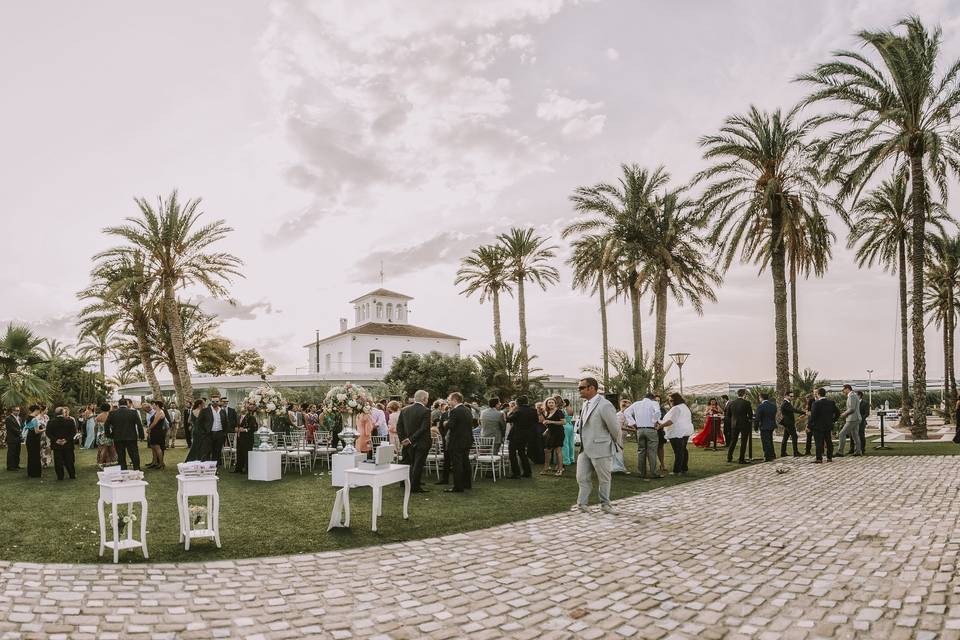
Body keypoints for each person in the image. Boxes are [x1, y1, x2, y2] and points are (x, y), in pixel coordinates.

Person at [574, 378, 621, 514]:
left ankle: (605, 504)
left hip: (601, 448)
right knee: (581, 477)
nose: (579, 390)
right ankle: (582, 504)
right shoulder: (585, 404)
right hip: (584, 449)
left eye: (582, 388)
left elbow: (615, 428)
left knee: (604, 479)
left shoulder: (605, 405)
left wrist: (616, 446)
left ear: (592, 388)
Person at [398, 390, 432, 492]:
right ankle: (415, 487)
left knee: (406, 462)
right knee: (418, 464)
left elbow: (399, 426)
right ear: (423, 399)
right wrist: (409, 440)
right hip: (421, 442)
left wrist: (403, 439)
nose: (427, 400)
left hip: (407, 442)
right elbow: (423, 428)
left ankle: (403, 482)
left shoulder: (404, 410)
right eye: (427, 398)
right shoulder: (426, 411)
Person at [624, 393, 662, 479]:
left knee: (641, 451)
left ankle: (641, 473)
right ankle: (653, 473)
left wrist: (633, 423)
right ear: (652, 398)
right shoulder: (654, 403)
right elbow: (657, 412)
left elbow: (626, 412)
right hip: (651, 429)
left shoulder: (636, 404)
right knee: (652, 451)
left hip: (639, 430)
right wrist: (654, 421)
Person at [444, 392, 474, 492]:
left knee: (457, 464)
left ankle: (458, 487)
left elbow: (451, 425)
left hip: (457, 441)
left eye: (449, 400)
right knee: (465, 462)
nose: (448, 402)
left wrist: (445, 423)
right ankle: (467, 484)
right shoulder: (468, 410)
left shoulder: (455, 411)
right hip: (467, 440)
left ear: (455, 400)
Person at [658, 392, 694, 475]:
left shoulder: (676, 408)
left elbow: (671, 421)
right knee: (683, 450)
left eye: (671, 400)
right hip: (685, 431)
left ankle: (677, 471)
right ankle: (684, 468)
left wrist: (660, 426)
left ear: (675, 400)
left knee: (678, 452)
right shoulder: (685, 407)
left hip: (677, 432)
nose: (670, 402)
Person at [105, 398, 144, 471]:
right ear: (126, 404)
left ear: (119, 405)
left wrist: (109, 434)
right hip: (131, 436)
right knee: (134, 454)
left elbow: (106, 425)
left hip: (118, 436)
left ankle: (123, 469)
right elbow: (139, 425)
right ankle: (137, 468)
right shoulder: (133, 412)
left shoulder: (112, 413)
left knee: (121, 455)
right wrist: (141, 435)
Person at [506, 396, 538, 479]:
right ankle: (527, 472)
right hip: (527, 435)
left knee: (512, 453)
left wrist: (511, 411)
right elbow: (536, 421)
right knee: (522, 453)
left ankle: (516, 473)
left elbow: (508, 419)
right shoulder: (533, 411)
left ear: (518, 403)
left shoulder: (518, 411)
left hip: (516, 435)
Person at [197, 396, 230, 465]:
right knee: (206, 452)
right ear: (211, 402)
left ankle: (215, 468)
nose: (215, 403)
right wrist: (203, 433)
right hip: (208, 434)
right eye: (213, 401)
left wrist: (224, 433)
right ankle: (205, 468)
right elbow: (199, 423)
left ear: (219, 402)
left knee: (217, 452)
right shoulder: (205, 411)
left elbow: (226, 423)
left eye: (217, 401)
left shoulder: (222, 411)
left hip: (219, 434)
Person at [810, 387, 840, 463]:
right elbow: (838, 413)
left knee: (818, 443)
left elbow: (813, 416)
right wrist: (833, 420)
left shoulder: (816, 403)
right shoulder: (831, 402)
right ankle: (829, 457)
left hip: (818, 426)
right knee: (829, 441)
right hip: (828, 425)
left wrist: (809, 426)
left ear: (819, 394)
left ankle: (819, 459)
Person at [47, 406, 77, 480]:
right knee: (69, 460)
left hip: (56, 444)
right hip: (68, 444)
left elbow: (48, 433)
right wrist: (66, 440)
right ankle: (72, 475)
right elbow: (73, 432)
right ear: (63, 413)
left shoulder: (51, 422)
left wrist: (56, 440)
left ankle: (60, 476)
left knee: (58, 461)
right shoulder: (70, 421)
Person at [725, 389, 754, 464]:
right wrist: (748, 419)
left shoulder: (731, 403)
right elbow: (750, 415)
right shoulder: (747, 403)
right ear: (744, 394)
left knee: (733, 441)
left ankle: (729, 457)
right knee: (743, 442)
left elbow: (728, 415)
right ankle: (741, 459)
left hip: (734, 424)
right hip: (744, 424)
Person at [541, 398, 566, 476]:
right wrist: (546, 428)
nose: (551, 404)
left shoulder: (559, 411)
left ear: (555, 404)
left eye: (552, 402)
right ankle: (546, 467)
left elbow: (564, 422)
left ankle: (560, 469)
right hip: (550, 433)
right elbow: (548, 424)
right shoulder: (547, 412)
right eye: (549, 403)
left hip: (558, 433)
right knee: (547, 450)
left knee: (558, 451)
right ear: (547, 404)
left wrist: (550, 421)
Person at [837, 384, 862, 457]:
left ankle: (840, 451)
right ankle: (858, 451)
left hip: (852, 419)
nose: (843, 392)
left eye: (843, 390)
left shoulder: (852, 396)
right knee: (855, 435)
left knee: (842, 434)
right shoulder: (853, 395)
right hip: (855, 418)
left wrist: (844, 414)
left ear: (847, 389)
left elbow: (852, 409)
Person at [780, 392, 806, 458]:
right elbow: (793, 410)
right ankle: (795, 452)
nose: (792, 397)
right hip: (788, 423)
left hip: (788, 423)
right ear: (786, 396)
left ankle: (783, 452)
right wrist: (804, 412)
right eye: (790, 396)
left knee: (785, 438)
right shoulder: (785, 403)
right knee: (794, 436)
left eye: (792, 396)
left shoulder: (787, 403)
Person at [755, 392, 778, 462]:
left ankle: (767, 456)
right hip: (772, 425)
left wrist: (755, 427)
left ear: (761, 398)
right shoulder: (773, 406)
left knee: (765, 442)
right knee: (770, 441)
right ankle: (772, 455)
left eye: (759, 397)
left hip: (764, 426)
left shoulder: (761, 406)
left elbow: (757, 418)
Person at [235, 402, 257, 474]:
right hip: (239, 437)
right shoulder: (238, 417)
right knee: (239, 453)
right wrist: (235, 429)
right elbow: (236, 426)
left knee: (246, 454)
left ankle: (247, 469)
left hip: (247, 439)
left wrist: (244, 430)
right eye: (241, 407)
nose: (242, 408)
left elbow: (254, 428)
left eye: (244, 407)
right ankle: (238, 468)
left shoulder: (251, 417)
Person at [146, 400, 168, 470]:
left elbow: (155, 422)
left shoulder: (160, 412)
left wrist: (149, 429)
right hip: (154, 431)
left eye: (154, 404)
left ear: (157, 405)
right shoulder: (156, 412)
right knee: (153, 447)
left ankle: (161, 464)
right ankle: (154, 462)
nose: (152, 406)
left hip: (158, 432)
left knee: (157, 447)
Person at [23, 405, 43, 478]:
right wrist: (45, 429)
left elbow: (27, 427)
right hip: (34, 438)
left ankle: (30, 472)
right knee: (36, 455)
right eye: (39, 410)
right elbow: (37, 431)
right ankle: (36, 473)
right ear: (36, 410)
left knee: (31, 455)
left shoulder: (28, 417)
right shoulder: (34, 419)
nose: (39, 412)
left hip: (29, 438)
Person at [94, 402, 115, 468]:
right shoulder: (110, 415)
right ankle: (102, 462)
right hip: (108, 433)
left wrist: (95, 434)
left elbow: (96, 427)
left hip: (100, 434)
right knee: (107, 449)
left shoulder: (98, 416)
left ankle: (104, 462)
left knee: (101, 448)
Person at [611, 399, 629, 474]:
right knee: (618, 450)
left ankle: (618, 467)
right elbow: (619, 427)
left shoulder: (625, 414)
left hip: (622, 435)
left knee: (619, 450)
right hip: (618, 435)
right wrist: (633, 430)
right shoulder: (620, 415)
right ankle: (618, 467)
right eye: (624, 403)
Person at [5, 406, 22, 471]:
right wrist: (20, 432)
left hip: (18, 438)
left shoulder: (19, 418)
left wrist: (21, 433)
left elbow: (21, 426)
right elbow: (11, 428)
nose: (18, 412)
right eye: (16, 410)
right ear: (13, 411)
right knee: (11, 453)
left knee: (17, 452)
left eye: (19, 410)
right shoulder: (8, 418)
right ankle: (10, 466)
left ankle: (16, 465)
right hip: (12, 438)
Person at [562, 399, 576, 466]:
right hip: (570, 426)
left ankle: (566, 460)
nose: (562, 403)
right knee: (570, 443)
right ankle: (571, 458)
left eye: (563, 402)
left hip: (565, 426)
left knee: (565, 443)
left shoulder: (564, 409)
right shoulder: (570, 408)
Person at [857, 391, 869, 455]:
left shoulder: (865, 403)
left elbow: (867, 413)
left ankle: (862, 449)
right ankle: (853, 449)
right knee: (853, 435)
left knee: (861, 435)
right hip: (854, 421)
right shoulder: (854, 403)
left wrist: (861, 419)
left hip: (861, 422)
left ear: (859, 395)